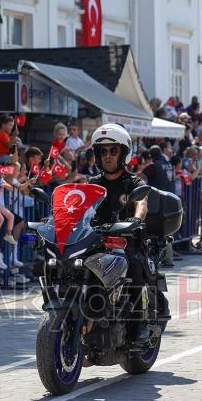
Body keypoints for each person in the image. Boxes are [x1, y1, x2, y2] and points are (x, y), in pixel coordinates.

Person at [88, 123, 156, 343]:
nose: (107, 156)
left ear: (124, 154)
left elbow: (141, 203)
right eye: (103, 151)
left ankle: (140, 325)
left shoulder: (133, 182)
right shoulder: (93, 183)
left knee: (134, 267)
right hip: (97, 241)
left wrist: (136, 220)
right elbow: (80, 206)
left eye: (113, 151)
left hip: (127, 241)